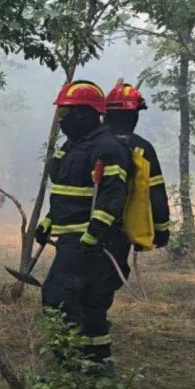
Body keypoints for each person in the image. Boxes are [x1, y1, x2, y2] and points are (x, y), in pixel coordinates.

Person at [35, 81, 131, 367]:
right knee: (89, 305)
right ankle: (97, 365)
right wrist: (49, 222)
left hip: (89, 241)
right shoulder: (73, 145)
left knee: (57, 297)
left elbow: (112, 195)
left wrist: (94, 234)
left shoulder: (107, 147)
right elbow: (68, 193)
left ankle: (71, 366)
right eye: (61, 113)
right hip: (73, 239)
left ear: (85, 113)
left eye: (66, 112)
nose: (62, 120)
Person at [105, 81, 172, 248]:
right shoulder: (141, 148)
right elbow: (155, 193)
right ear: (132, 116)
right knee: (111, 273)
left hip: (77, 232)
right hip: (118, 231)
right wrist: (161, 230)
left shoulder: (88, 144)